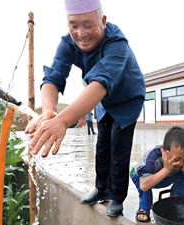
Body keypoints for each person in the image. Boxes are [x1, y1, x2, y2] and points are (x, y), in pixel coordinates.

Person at [25, 0, 146, 217]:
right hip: (104, 100)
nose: (81, 33)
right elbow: (53, 77)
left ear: (103, 21)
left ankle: (117, 198)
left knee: (119, 147)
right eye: (74, 25)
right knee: (102, 145)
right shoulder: (67, 44)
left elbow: (100, 83)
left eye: (88, 24)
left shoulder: (117, 42)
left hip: (128, 98)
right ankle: (102, 189)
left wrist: (63, 121)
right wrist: (50, 110)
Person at [130, 126, 184, 222]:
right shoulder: (153, 158)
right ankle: (144, 208)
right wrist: (167, 169)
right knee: (145, 188)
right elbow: (144, 186)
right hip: (142, 178)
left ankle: (175, 202)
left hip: (167, 178)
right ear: (164, 151)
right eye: (177, 159)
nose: (180, 163)